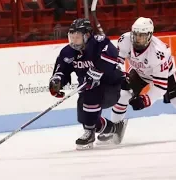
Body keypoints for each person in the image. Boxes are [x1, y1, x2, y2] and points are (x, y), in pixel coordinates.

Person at [98, 17, 176, 142]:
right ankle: (115, 129)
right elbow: (119, 60)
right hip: (139, 72)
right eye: (136, 35)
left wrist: (145, 100)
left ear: (150, 35)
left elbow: (160, 87)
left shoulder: (159, 53)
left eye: (142, 36)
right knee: (122, 95)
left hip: (167, 74)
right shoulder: (125, 40)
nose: (138, 39)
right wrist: (120, 74)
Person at [49, 18, 128, 150]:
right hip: (88, 89)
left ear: (87, 36)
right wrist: (56, 82)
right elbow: (62, 70)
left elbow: (113, 56)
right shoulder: (67, 52)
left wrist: (97, 72)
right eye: (72, 37)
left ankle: (90, 134)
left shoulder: (99, 43)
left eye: (77, 37)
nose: (74, 41)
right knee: (86, 118)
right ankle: (116, 128)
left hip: (110, 87)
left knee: (91, 98)